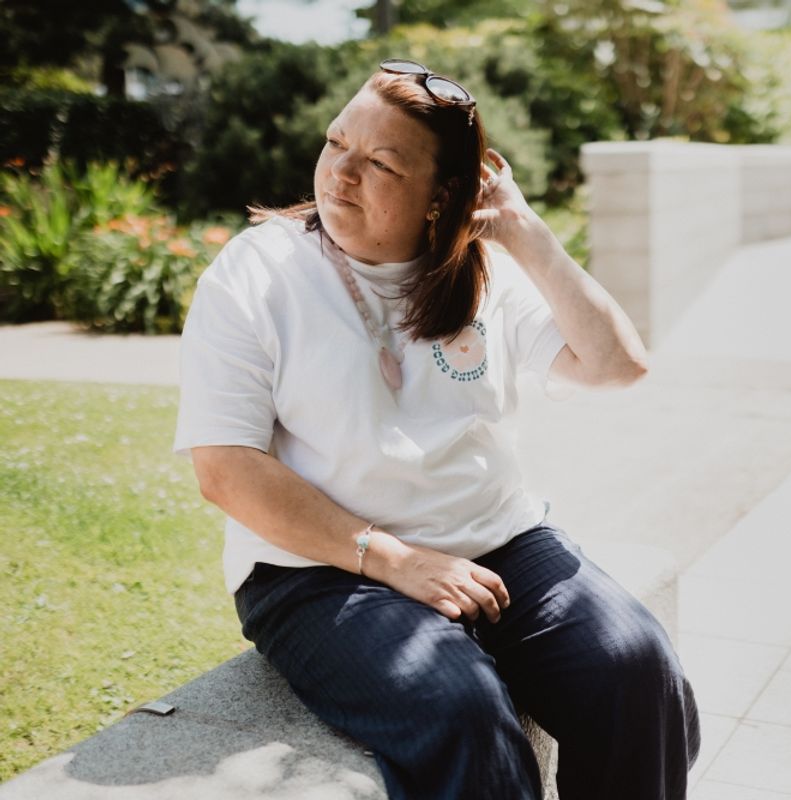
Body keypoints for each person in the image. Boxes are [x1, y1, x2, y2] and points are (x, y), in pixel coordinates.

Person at [172, 59, 700, 799]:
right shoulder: (256, 272)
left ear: (443, 194)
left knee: (634, 670)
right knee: (463, 712)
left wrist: (524, 232)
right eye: (336, 142)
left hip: (499, 542)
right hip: (319, 572)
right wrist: (393, 559)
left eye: (381, 163)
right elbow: (225, 468)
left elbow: (617, 366)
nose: (340, 173)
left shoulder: (483, 267)